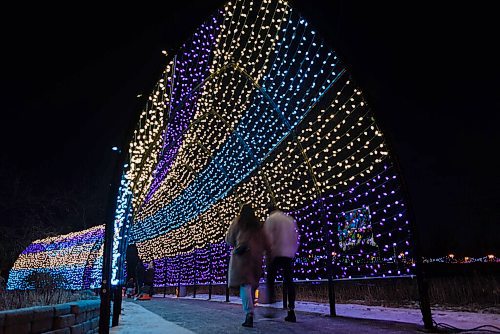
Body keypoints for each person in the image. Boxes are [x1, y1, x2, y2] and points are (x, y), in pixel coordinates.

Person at [226, 202, 269, 328]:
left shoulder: (238, 222)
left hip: (242, 256)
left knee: (244, 285)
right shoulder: (258, 225)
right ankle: (250, 310)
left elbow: (229, 239)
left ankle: (249, 313)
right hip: (256, 257)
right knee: (251, 284)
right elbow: (264, 241)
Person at [263, 201, 299, 322]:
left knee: (270, 280)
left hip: (275, 253)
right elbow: (296, 237)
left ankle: (272, 307)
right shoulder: (289, 219)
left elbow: (267, 238)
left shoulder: (271, 219)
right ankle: (291, 310)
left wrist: (268, 254)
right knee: (289, 281)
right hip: (288, 254)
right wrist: (292, 251)